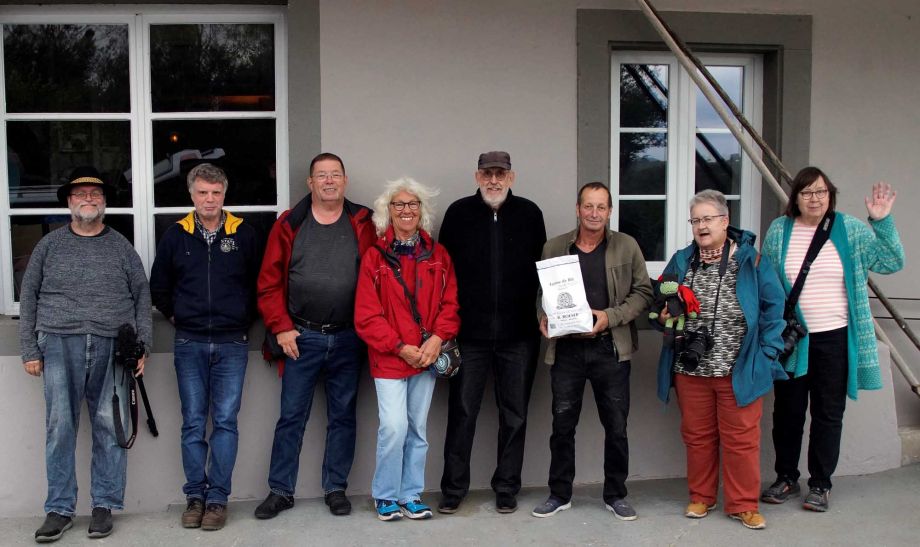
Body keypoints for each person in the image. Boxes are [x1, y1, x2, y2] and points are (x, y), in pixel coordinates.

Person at [19, 166, 152, 542]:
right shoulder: (49, 246)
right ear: (69, 201)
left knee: (110, 426)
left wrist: (142, 345)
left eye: (95, 194)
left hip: (113, 346)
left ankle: (103, 506)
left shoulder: (121, 247)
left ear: (104, 201)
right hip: (59, 343)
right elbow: (28, 296)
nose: (88, 199)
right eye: (80, 194)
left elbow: (142, 296)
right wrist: (29, 348)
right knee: (60, 428)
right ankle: (59, 509)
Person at [760, 167, 904, 512]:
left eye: (821, 192)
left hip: (835, 338)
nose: (815, 199)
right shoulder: (780, 230)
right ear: (795, 198)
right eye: (807, 192)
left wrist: (880, 221)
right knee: (788, 413)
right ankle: (786, 478)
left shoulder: (850, 229)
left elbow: (891, 261)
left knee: (828, 413)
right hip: (794, 338)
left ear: (831, 195)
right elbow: (767, 280)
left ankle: (820, 484)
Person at [654, 190, 787, 530]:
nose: (701, 226)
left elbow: (775, 308)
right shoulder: (682, 260)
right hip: (690, 367)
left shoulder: (751, 260)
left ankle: (743, 504)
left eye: (708, 219)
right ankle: (701, 497)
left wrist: (767, 353)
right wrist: (663, 316)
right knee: (697, 436)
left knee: (741, 439)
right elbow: (658, 302)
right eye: (695, 220)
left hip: (739, 367)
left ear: (725, 221)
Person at [254, 153, 376, 519]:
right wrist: (281, 327)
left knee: (343, 417)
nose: (329, 181)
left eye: (335, 174)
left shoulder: (363, 222)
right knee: (291, 417)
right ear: (310, 183)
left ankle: (335, 488)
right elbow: (268, 282)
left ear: (345, 180)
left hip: (349, 338)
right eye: (321, 175)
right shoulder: (290, 223)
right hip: (300, 338)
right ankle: (280, 491)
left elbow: (378, 277)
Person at [150, 163, 262, 531]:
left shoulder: (244, 234)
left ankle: (217, 500)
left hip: (232, 342)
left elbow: (261, 283)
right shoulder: (176, 235)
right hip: (190, 342)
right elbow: (159, 286)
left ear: (224, 194)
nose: (209, 199)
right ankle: (195, 497)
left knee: (226, 422)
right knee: (193, 423)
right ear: (192, 195)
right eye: (202, 193)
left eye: (215, 193)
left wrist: (242, 318)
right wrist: (178, 315)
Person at [532, 182, 653, 521]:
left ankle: (616, 495)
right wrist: (543, 317)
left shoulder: (626, 246)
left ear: (610, 211)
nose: (594, 213)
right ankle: (559, 494)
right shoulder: (555, 247)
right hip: (566, 350)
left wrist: (609, 317)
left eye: (601, 207)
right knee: (562, 425)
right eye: (588, 206)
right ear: (578, 209)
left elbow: (644, 293)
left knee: (616, 426)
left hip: (610, 348)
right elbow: (541, 294)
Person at [438, 151, 546, 514]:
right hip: (469, 336)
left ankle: (507, 487)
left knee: (514, 414)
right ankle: (453, 488)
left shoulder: (530, 214)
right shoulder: (458, 214)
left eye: (501, 173)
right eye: (487, 174)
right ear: (477, 176)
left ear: (511, 177)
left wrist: (545, 315)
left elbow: (545, 273)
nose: (494, 180)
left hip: (519, 335)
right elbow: (443, 274)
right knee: (462, 412)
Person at [354, 178, 460, 522]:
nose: (406, 210)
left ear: (421, 210)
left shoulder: (438, 255)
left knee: (417, 430)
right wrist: (399, 347)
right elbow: (366, 315)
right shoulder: (374, 257)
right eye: (398, 204)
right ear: (388, 211)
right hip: (389, 358)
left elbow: (450, 304)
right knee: (393, 428)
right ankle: (385, 495)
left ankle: (410, 494)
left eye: (413, 204)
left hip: (426, 357)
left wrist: (436, 339)